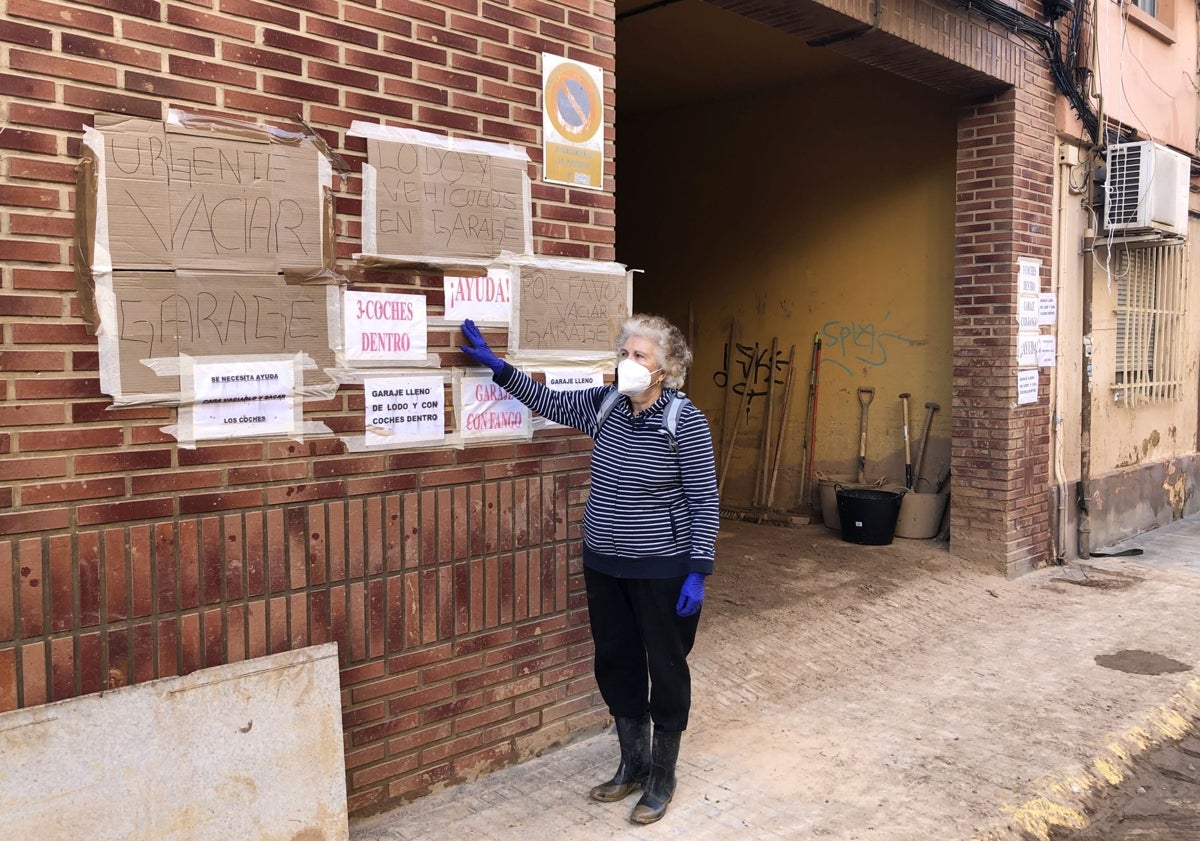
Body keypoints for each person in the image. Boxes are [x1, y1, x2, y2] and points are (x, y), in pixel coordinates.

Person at [460, 314, 719, 825]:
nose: (628, 363)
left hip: (661, 568)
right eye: (624, 353)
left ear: (664, 369)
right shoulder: (605, 404)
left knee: (665, 670)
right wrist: (498, 367)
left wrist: (698, 570)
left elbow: (704, 499)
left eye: (639, 356)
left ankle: (663, 778)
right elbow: (551, 402)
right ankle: (633, 765)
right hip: (604, 562)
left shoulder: (684, 420)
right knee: (617, 661)